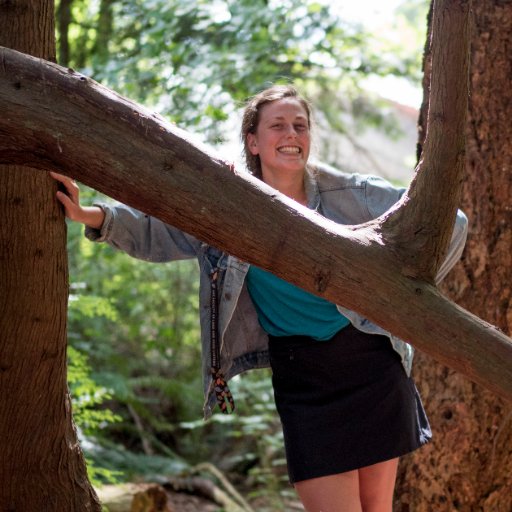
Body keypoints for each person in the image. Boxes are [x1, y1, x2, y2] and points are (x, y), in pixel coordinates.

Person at [51, 84, 467, 512]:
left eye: (300, 125)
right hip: (303, 379)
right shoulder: (230, 206)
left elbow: (446, 223)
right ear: (253, 141)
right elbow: (161, 231)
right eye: (278, 125)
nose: (292, 134)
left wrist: (407, 298)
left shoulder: (352, 194)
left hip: (372, 369)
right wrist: (93, 216)